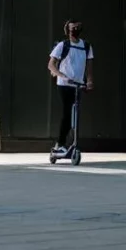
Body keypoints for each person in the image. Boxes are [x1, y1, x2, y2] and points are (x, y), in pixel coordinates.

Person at [47, 19, 94, 154]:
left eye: (77, 27)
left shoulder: (86, 46)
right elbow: (51, 65)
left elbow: (89, 67)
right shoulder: (63, 45)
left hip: (78, 85)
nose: (74, 30)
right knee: (67, 114)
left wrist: (89, 81)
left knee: (75, 115)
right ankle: (60, 144)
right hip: (64, 84)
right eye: (72, 28)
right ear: (67, 31)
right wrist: (61, 75)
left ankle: (73, 143)